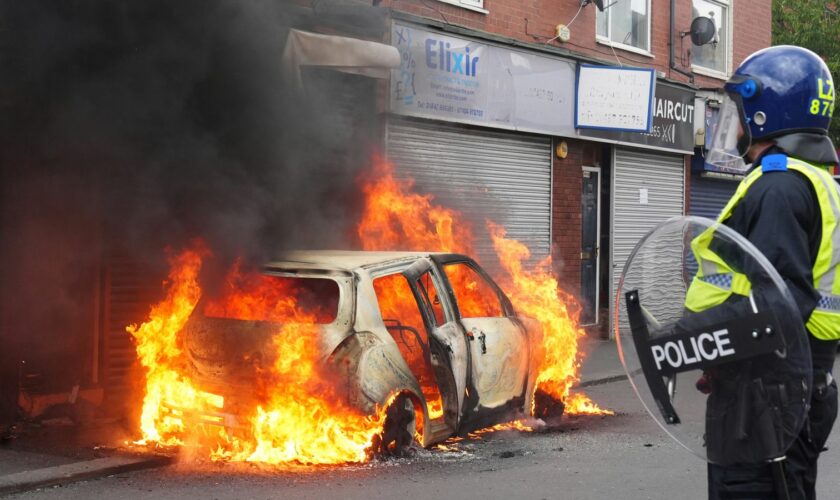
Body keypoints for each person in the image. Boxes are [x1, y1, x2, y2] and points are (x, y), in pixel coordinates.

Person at [685, 45, 839, 499]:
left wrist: (687, 337)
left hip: (764, 396)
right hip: (791, 381)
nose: (734, 122)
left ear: (766, 113)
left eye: (739, 109)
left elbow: (779, 303)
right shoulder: (814, 181)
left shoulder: (778, 187)